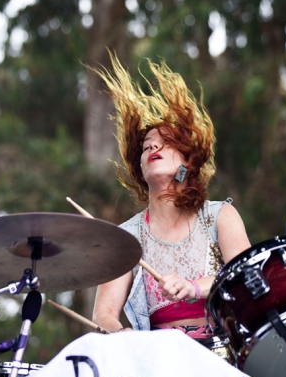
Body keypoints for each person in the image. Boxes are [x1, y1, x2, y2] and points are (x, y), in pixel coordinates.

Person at [91, 53, 251, 344]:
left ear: (187, 163)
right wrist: (118, 334)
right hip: (159, 363)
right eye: (147, 146)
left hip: (224, 357)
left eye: (166, 143)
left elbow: (246, 278)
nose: (153, 147)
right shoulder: (126, 237)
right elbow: (103, 313)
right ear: (140, 167)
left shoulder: (220, 216)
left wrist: (194, 287)